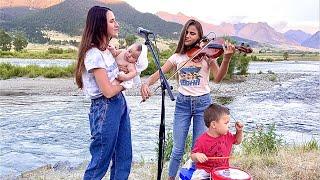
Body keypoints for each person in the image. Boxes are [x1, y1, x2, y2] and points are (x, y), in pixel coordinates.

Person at [140, 19, 236, 179]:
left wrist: (226, 58)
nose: (188, 35)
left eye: (193, 33)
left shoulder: (207, 55)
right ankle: (171, 178)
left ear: (199, 37)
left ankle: (193, 177)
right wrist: (147, 83)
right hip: (183, 104)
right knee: (177, 148)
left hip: (203, 104)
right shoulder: (177, 56)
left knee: (197, 149)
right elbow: (160, 73)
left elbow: (218, 78)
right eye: (186, 32)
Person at [74, 6, 132, 180]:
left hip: (119, 104)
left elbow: (114, 75)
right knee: (100, 160)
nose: (117, 24)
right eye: (112, 21)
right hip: (105, 107)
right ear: (100, 25)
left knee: (124, 157)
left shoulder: (106, 51)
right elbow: (107, 91)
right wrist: (126, 84)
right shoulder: (93, 54)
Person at [190, 103, 244, 178]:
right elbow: (192, 156)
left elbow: (237, 141)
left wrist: (239, 131)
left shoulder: (227, 135)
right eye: (226, 123)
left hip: (223, 170)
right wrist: (197, 155)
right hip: (205, 171)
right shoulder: (202, 140)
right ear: (214, 125)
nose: (229, 126)